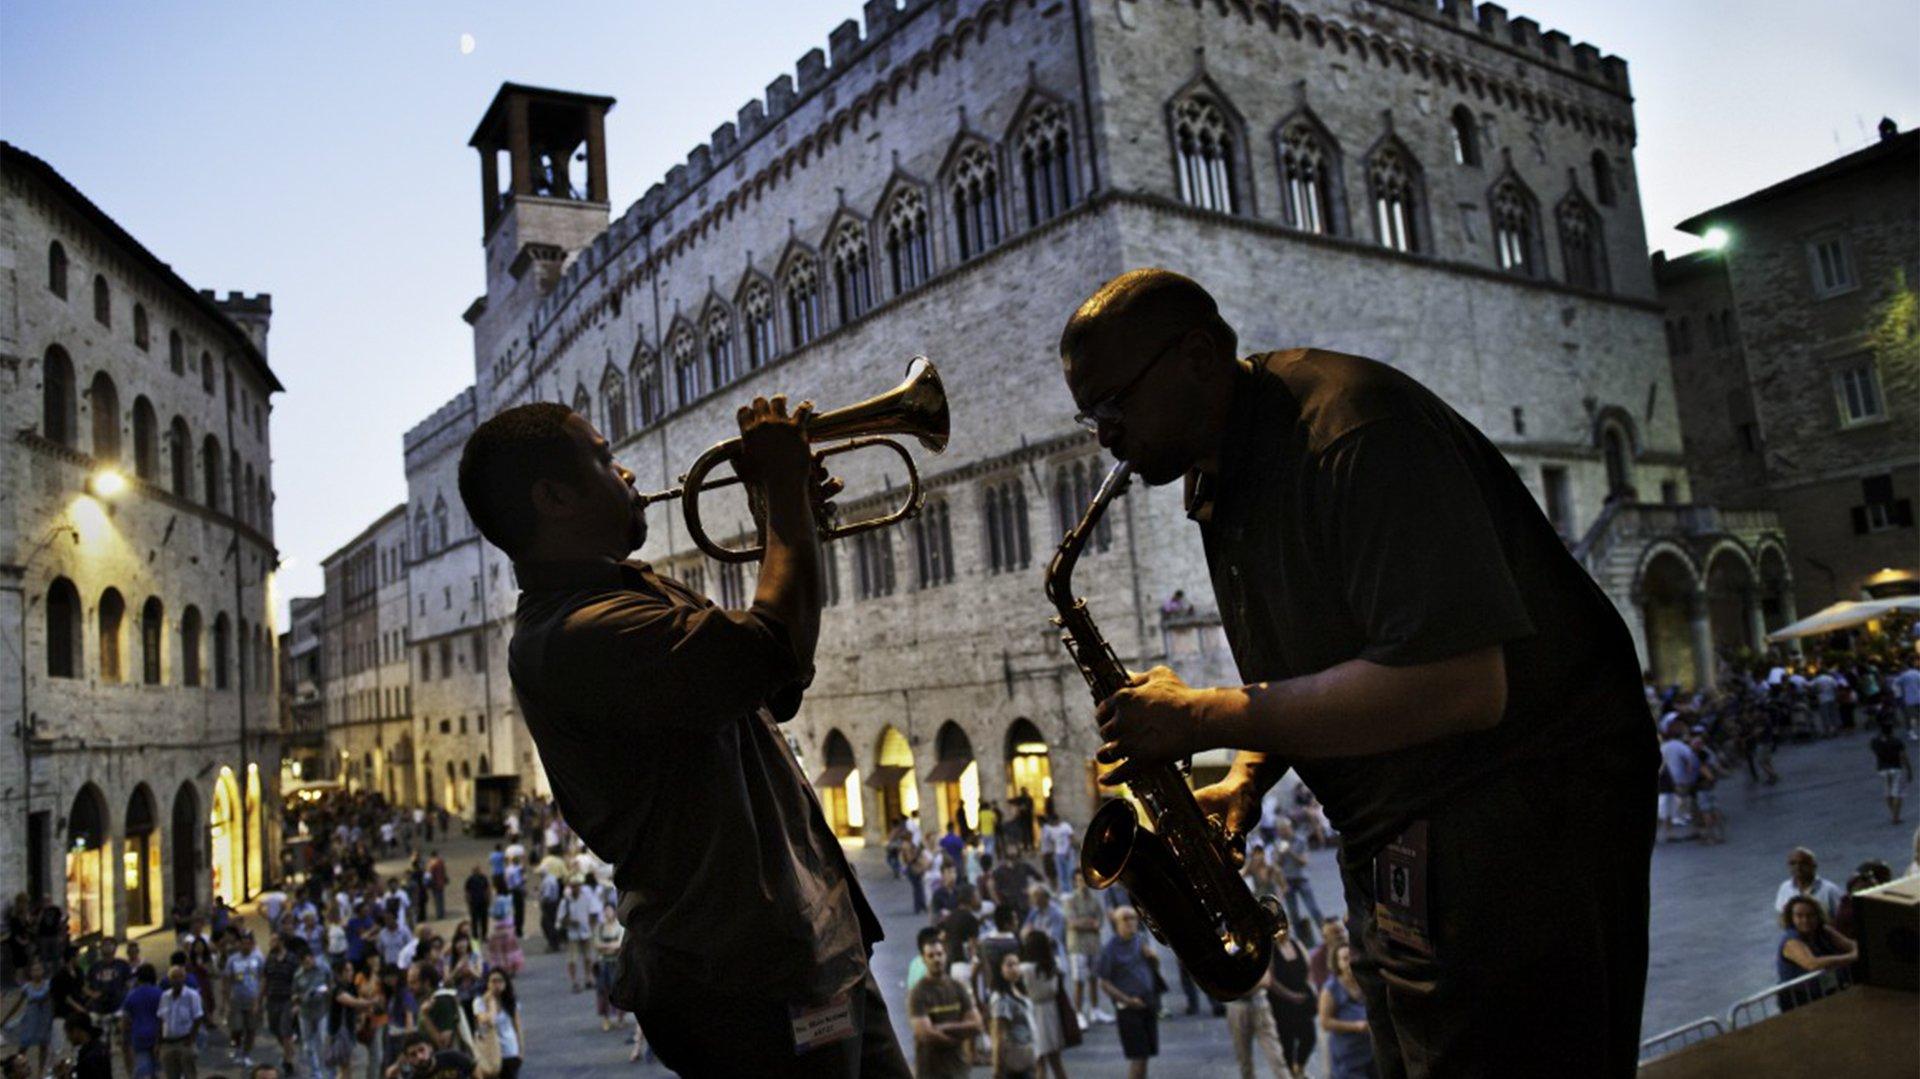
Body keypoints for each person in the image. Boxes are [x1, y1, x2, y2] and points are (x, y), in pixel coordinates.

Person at [1059, 270, 1660, 1073]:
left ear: (1196, 357)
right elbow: (1317, 660)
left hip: (1520, 820)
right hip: (1401, 830)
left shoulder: (1352, 432)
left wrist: (1203, 715)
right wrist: (1248, 777)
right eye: (1089, 414)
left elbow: (1458, 683)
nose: (1103, 434)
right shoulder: (1220, 471)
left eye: (1112, 405)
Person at [461, 396, 907, 1075]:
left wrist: (789, 520)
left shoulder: (629, 593)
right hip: (747, 980)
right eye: (606, 458)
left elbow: (779, 685)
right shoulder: (574, 635)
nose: (629, 472)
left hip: (811, 951)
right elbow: (771, 650)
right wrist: (783, 493)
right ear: (554, 496)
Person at [1096, 907, 1161, 1079]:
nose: (1131, 921)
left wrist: (1154, 959)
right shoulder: (1110, 949)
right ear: (1116, 923)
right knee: (1138, 1057)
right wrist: (1127, 1000)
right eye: (1126, 918)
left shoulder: (1140, 940)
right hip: (1128, 1007)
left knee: (1146, 1055)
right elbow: (1104, 983)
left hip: (1147, 1001)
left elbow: (1152, 968)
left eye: (1133, 917)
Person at [906, 937, 981, 1079]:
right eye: (931, 955)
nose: (936, 959)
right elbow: (924, 1033)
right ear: (923, 959)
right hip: (930, 1070)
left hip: (958, 1069)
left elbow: (977, 1025)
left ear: (946, 955)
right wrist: (955, 1039)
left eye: (940, 954)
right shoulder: (918, 993)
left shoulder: (958, 987)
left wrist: (942, 1027)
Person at [1776, 897, 1857, 1011]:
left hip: (1826, 991)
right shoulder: (1791, 941)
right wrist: (1851, 957)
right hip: (1799, 999)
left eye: (1810, 915)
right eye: (1799, 916)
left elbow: (1850, 945)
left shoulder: (1824, 931)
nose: (1805, 920)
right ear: (1791, 918)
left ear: (1818, 916)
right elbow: (1812, 963)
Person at [1016, 931, 1069, 1079]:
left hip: (1033, 1012)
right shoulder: (1053, 966)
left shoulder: (1024, 969)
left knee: (1039, 1063)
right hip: (1051, 1013)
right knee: (1056, 1062)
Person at [1318, 944, 1375, 1079]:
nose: (1349, 962)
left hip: (1371, 1052)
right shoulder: (1331, 989)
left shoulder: (1364, 980)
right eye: (1344, 959)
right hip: (1348, 1056)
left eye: (1351, 957)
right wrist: (1356, 1026)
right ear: (1337, 963)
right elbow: (1325, 1022)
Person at [1267, 931, 1316, 1078]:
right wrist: (1290, 996)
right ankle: (1290, 1073)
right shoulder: (1271, 952)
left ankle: (1299, 1068)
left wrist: (1308, 987)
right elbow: (1271, 980)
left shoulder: (1296, 944)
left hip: (1302, 999)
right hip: (1282, 1005)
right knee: (1287, 1043)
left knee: (1309, 1037)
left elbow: (1308, 967)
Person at [1063, 876, 1107, 1026]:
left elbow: (1100, 920)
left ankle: (1095, 1010)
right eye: (1080, 880)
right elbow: (1073, 923)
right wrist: (1089, 922)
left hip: (1093, 945)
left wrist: (1085, 923)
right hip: (1078, 946)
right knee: (1079, 981)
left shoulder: (1095, 899)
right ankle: (1078, 1013)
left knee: (1094, 978)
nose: (1083, 883)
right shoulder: (1071, 900)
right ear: (1075, 882)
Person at [988, 951, 1037, 1079]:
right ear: (1000, 970)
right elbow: (998, 1035)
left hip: (1028, 1056)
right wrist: (997, 1067)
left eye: (1016, 964)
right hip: (1014, 1061)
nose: (1014, 968)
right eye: (1009, 965)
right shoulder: (1001, 998)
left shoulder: (1019, 990)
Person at [0, 959, 53, 1077]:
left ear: (43, 971)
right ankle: (17, 1068)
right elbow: (17, 1005)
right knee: (24, 1044)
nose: (36, 972)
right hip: (31, 1019)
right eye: (34, 970)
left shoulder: (48, 985)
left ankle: (40, 1072)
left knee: (43, 1044)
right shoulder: (27, 987)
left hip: (44, 1018)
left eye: (39, 969)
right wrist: (5, 1019)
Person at [470, 971, 521, 1079]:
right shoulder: (479, 1002)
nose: (496, 984)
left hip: (509, 1050)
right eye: (493, 981)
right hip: (490, 1052)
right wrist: (491, 1002)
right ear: (487, 984)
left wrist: (521, 1051)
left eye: (500, 981)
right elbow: (488, 1021)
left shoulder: (511, 1002)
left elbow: (517, 1027)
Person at [156, 965, 204, 1079]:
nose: (177, 980)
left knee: (189, 1074)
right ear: (169, 980)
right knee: (171, 1075)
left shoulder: (192, 995)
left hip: (184, 1042)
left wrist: (192, 1038)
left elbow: (198, 1017)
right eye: (173, 977)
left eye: (179, 977)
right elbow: (160, 1019)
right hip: (168, 1043)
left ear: (184, 978)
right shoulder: (165, 996)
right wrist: (158, 1042)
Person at [121, 963, 165, 1079]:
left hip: (139, 1036)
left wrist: (125, 1040)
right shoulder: (160, 993)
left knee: (143, 1071)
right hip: (158, 1035)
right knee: (158, 1070)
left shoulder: (131, 995)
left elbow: (126, 1021)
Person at [1774, 847, 1846, 918]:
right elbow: (1781, 915)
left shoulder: (1830, 890)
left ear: (1814, 866)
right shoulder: (1785, 887)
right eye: (1793, 863)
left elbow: (1842, 919)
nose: (1798, 867)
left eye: (1803, 863)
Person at [1871, 720, 1914, 825]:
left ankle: (1893, 814)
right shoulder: (1896, 741)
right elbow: (1903, 757)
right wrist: (1909, 770)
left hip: (1882, 769)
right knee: (1897, 794)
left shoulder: (1875, 741)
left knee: (1888, 792)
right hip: (1896, 768)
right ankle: (1896, 816)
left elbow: (1875, 752)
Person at [590, 902, 625, 1031]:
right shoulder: (600, 927)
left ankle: (620, 1017)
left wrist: (606, 947)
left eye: (609, 910)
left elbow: (620, 944)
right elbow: (597, 943)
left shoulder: (619, 927)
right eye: (606, 911)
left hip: (616, 962)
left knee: (618, 990)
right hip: (603, 963)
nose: (607, 913)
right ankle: (606, 1018)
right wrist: (611, 947)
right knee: (603, 991)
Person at [383, 1031, 473, 1079]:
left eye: (422, 1050)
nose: (420, 1057)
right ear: (408, 1059)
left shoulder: (451, 1057)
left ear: (430, 1048)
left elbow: (475, 1069)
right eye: (413, 1054)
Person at [56, 1014, 112, 1079]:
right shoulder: (99, 1048)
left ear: (76, 1031)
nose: (68, 1038)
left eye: (68, 1033)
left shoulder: (88, 1058)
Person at [462, 868, 490, 939]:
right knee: (482, 920)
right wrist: (488, 900)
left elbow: (467, 892)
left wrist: (468, 902)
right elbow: (487, 891)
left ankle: (477, 936)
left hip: (476, 903)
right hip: (480, 902)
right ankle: (481, 936)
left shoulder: (470, 879)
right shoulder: (482, 878)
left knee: (476, 920)